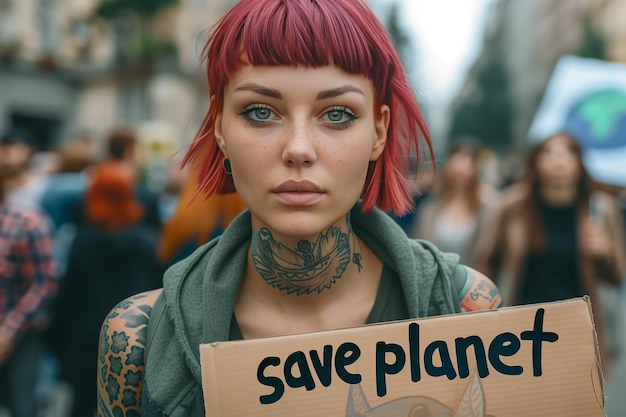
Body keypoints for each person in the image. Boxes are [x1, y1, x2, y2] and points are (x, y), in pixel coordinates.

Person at [97, 1, 503, 416]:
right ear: (220, 128)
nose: (298, 149)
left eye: (337, 114)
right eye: (260, 112)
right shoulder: (137, 339)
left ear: (378, 132)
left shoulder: (468, 308)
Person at [473, 132, 625, 375]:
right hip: (521, 330)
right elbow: (485, 263)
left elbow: (616, 276)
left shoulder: (600, 208)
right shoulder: (511, 206)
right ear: (535, 161)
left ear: (579, 162)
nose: (558, 159)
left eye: (568, 152)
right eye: (549, 152)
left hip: (578, 330)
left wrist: (605, 252)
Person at [49, 162, 163, 417]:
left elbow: (69, 293)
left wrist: (55, 334)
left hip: (86, 337)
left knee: (80, 403)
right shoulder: (148, 241)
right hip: (135, 337)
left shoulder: (82, 241)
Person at [0, 131, 57, 417]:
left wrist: (9, 330)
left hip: (18, 336)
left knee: (23, 404)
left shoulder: (27, 221)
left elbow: (43, 284)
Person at [409, 140, 496, 266]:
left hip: (474, 282)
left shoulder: (488, 208)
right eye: (456, 162)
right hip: (433, 279)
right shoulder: (429, 208)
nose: (460, 170)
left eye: (467, 163)